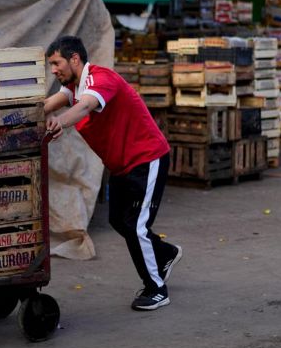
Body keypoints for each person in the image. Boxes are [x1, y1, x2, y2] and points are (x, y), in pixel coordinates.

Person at [44, 35, 182, 311]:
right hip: (122, 165)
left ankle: (156, 289)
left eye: (56, 63)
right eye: (50, 65)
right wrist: (13, 114)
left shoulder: (100, 79)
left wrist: (59, 123)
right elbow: (48, 105)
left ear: (74, 59)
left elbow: (84, 106)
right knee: (119, 220)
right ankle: (165, 253)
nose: (53, 70)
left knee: (137, 226)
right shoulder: (72, 87)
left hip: (148, 159)